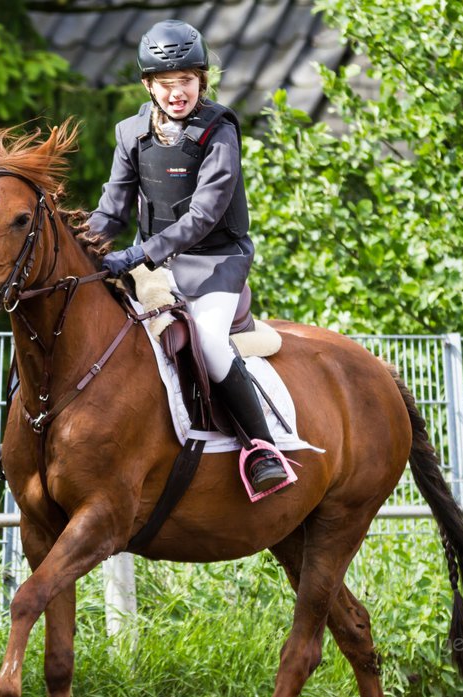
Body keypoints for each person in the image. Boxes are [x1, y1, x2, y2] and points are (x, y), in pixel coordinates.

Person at [89, 19, 291, 497]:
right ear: (148, 85)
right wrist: (82, 248)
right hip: (155, 268)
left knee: (210, 341)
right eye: (166, 84)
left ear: (201, 81)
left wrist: (139, 254)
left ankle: (261, 447)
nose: (176, 92)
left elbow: (202, 216)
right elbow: (113, 208)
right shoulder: (130, 133)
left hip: (214, 264)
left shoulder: (219, 130)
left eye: (186, 82)